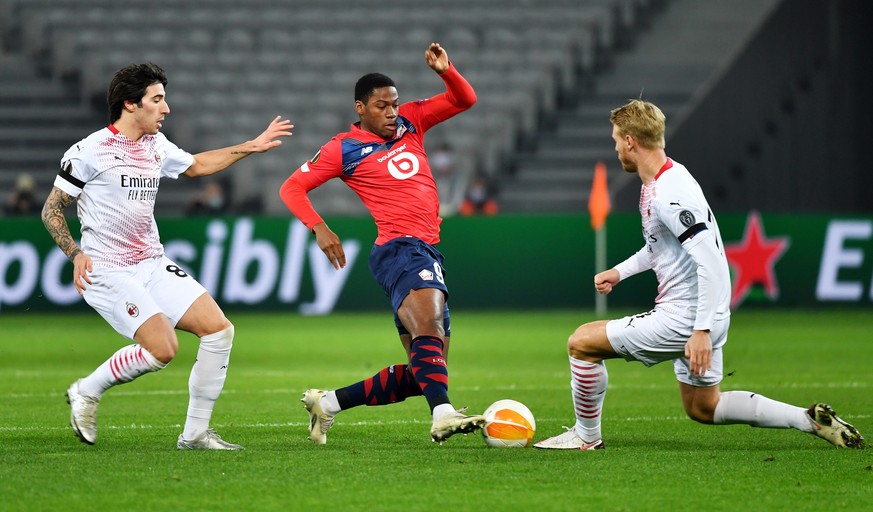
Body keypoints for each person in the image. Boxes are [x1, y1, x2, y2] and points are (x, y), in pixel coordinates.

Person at [534, 99, 865, 451]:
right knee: (703, 407)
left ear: (631, 141)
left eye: (617, 139)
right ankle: (808, 419)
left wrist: (701, 330)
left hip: (688, 318)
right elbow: (659, 248)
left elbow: (712, 262)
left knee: (582, 343)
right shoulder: (670, 175)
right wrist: (619, 272)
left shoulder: (669, 196)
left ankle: (585, 437)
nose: (615, 147)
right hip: (706, 315)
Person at [41, 63, 293, 449]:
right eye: (157, 100)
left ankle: (194, 435)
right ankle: (87, 391)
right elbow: (52, 210)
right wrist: (75, 253)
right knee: (163, 350)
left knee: (219, 330)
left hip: (152, 263)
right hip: (108, 270)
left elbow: (196, 165)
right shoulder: (88, 151)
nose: (166, 108)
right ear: (130, 104)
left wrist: (251, 146)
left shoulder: (155, 146)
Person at [279, 43, 484, 445]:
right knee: (429, 328)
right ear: (360, 108)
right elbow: (292, 187)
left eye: (393, 104)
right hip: (399, 248)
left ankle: (329, 403)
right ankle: (442, 415)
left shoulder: (412, 120)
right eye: (381, 106)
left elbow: (465, 99)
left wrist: (446, 71)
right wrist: (319, 227)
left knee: (425, 369)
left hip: (426, 249)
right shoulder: (343, 149)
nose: (392, 113)